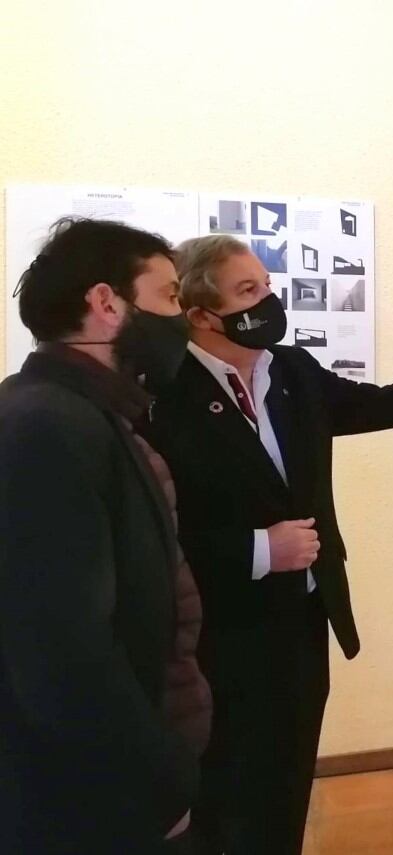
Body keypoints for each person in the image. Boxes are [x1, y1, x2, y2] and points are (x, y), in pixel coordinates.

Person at [145, 235, 393, 855]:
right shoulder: (161, 393)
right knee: (226, 786)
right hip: (217, 631)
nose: (268, 300)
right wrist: (257, 550)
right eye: (247, 291)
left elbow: (374, 407)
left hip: (303, 614)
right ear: (199, 314)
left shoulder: (290, 370)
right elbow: (149, 532)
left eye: (266, 285)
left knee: (287, 775)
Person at [0, 218, 208, 853]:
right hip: (93, 802)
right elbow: (63, 651)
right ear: (106, 302)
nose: (181, 318)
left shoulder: (81, 411)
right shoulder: (46, 425)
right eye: (168, 296)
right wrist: (157, 783)